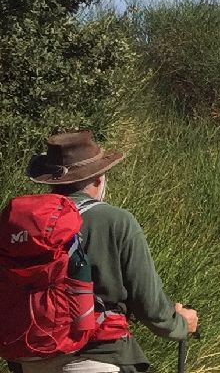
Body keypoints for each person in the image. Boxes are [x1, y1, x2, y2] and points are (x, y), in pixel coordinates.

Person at [4, 131, 200, 373]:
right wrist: (181, 324)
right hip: (96, 356)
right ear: (99, 179)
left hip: (29, 360)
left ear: (49, 181)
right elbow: (150, 306)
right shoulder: (115, 220)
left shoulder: (20, 225)